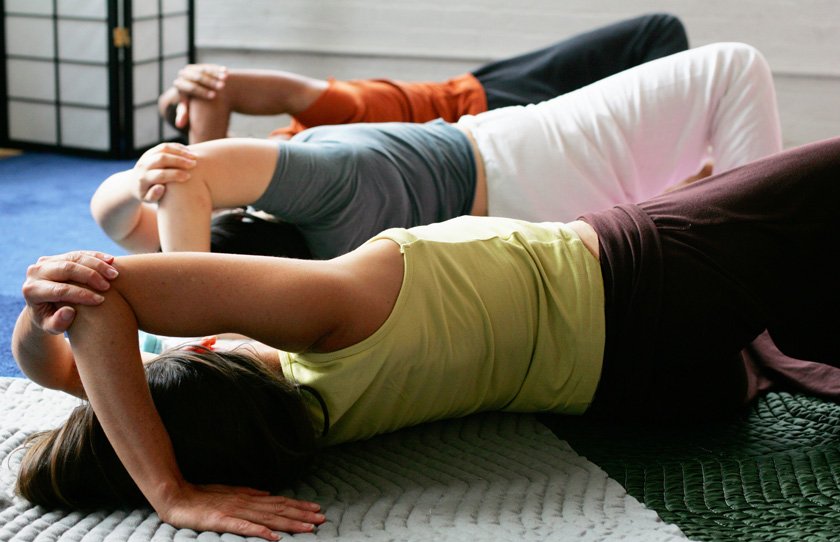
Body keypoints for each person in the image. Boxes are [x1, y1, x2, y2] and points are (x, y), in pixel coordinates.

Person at [13, 135, 840, 540]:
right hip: (648, 277)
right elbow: (97, 310)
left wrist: (31, 325)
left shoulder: (300, 420)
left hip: (655, 386)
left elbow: (65, 361)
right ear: (199, 351)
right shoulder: (326, 316)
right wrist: (169, 494)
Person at [92, 42, 781, 258]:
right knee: (731, 66)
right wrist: (186, 325)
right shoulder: (327, 180)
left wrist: (140, 181)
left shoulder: (313, 272)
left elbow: (119, 214)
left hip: (533, 219)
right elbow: (185, 179)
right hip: (519, 157)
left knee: (702, 190)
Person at [161, 13, 688, 144]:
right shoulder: (329, 133)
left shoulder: (338, 114)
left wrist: (176, 100)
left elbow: (220, 88)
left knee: (653, 45)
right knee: (657, 34)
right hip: (494, 119)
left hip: (487, 96)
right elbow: (222, 90)